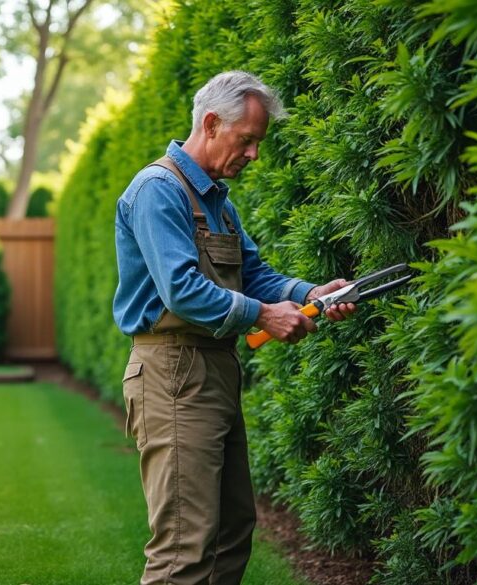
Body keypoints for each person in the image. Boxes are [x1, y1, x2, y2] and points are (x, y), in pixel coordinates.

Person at [112, 70, 356, 584]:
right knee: (184, 546)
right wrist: (264, 315)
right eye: (247, 141)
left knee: (231, 530)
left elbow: (256, 274)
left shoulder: (217, 198)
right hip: (173, 373)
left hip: (214, 369)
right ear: (211, 123)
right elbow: (181, 289)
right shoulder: (159, 190)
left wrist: (310, 294)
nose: (254, 155)